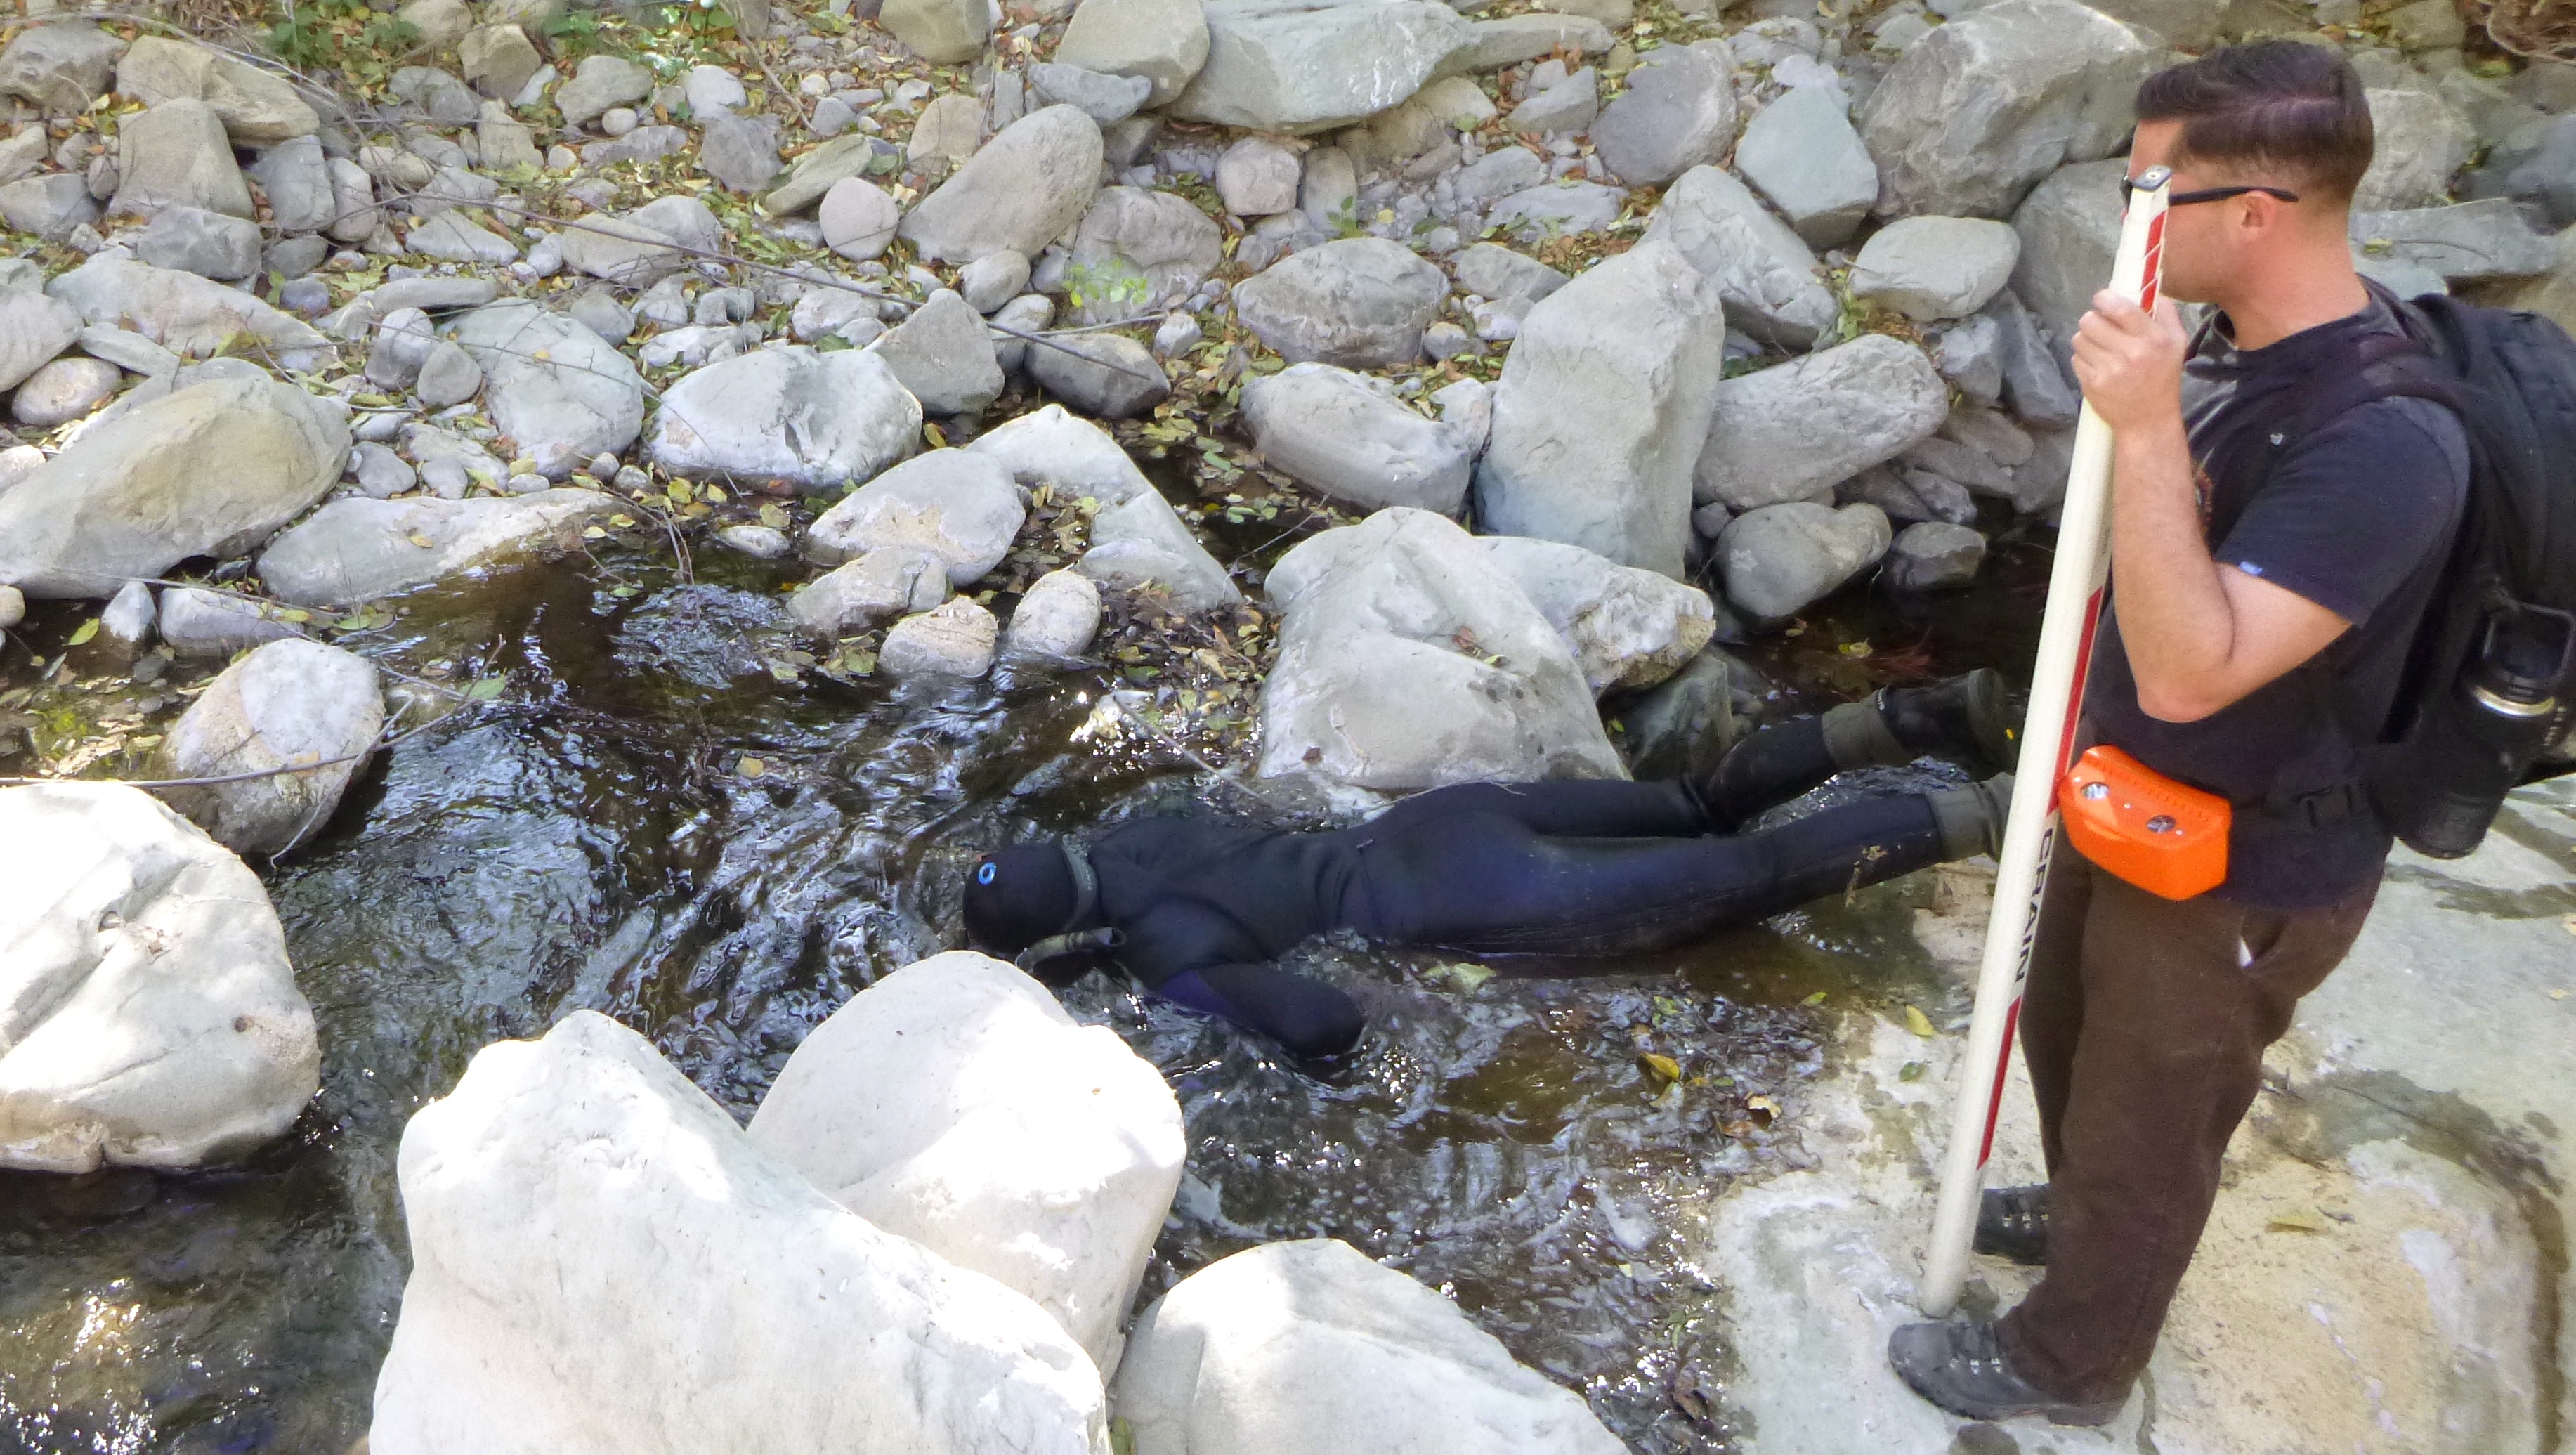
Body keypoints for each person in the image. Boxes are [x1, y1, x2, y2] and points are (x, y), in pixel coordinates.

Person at [1888, 43, 2473, 1425]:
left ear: (2254, 211)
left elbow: (2193, 668)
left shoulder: (2385, 437)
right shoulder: (2247, 349)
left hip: (2241, 863)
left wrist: (2143, 421)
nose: (2127, 221)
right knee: (2075, 1053)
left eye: (2156, 194)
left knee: (2151, 1122)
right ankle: (2088, 1214)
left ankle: (2067, 1363)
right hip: (2129, 801)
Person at [961, 672, 2017, 1064]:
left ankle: (1996, 816)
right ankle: (1915, 716)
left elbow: (1325, 1026)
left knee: (1755, 871)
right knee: (1697, 803)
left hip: (1469, 901)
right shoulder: (1141, 824)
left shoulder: (1166, 953)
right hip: (1440, 826)